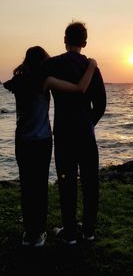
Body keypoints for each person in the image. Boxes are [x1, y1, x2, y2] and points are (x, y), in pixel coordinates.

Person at [3, 46, 97, 247]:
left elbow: (8, 84)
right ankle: (39, 235)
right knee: (40, 186)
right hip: (42, 141)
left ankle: (31, 233)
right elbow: (80, 88)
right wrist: (92, 65)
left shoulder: (18, 82)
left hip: (22, 140)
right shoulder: (45, 81)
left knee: (27, 186)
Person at [43, 21, 107, 245]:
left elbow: (34, 79)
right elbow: (100, 104)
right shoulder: (92, 68)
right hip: (85, 132)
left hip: (63, 131)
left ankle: (70, 232)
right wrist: (90, 122)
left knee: (66, 181)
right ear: (85, 42)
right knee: (90, 181)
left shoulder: (53, 64)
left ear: (64, 39)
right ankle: (88, 230)